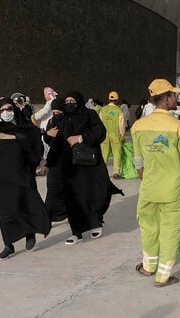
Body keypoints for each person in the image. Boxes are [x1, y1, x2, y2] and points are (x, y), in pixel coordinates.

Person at [130, 79, 180, 288]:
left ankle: (148, 267)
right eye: (173, 95)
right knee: (170, 232)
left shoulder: (138, 126)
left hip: (148, 189)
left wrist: (146, 180)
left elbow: (138, 161)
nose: (176, 98)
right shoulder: (178, 127)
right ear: (166, 99)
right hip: (172, 191)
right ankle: (163, 277)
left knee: (148, 229)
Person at [0, 98, 51, 260]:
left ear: (14, 109)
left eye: (8, 108)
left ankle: (30, 232)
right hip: (1, 178)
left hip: (22, 176)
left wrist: (38, 164)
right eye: (1, 110)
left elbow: (36, 148)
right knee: (5, 213)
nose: (5, 112)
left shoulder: (25, 128)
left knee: (25, 205)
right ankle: (8, 245)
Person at [43, 91, 117, 244]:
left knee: (91, 193)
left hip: (89, 164)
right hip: (70, 166)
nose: (69, 103)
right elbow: (57, 143)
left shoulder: (90, 115)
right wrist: (49, 161)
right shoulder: (63, 119)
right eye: (67, 101)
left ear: (79, 101)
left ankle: (95, 222)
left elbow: (100, 132)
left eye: (72, 100)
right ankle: (76, 233)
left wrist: (81, 138)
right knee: (71, 197)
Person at [100, 91, 125, 179]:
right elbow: (121, 124)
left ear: (109, 99)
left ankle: (101, 171)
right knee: (116, 154)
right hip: (115, 135)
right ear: (117, 99)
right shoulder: (118, 110)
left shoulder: (103, 110)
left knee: (104, 154)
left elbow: (100, 123)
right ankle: (116, 172)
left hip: (105, 136)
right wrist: (122, 135)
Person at [34, 86, 58, 159]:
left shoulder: (50, 102)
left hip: (47, 127)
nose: (44, 97)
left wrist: (34, 116)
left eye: (45, 95)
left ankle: (47, 160)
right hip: (49, 126)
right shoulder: (54, 101)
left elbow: (45, 111)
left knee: (46, 144)